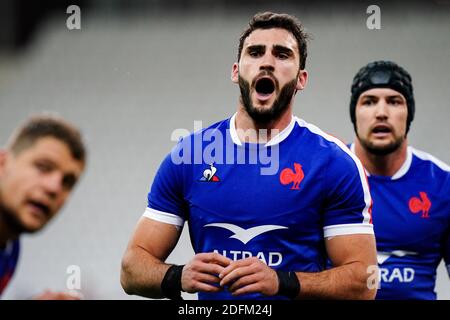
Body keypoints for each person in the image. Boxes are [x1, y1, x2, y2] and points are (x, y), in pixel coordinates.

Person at [121, 12, 377, 300]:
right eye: (255, 53)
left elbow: (364, 283)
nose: (267, 62)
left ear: (301, 79)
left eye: (282, 55)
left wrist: (283, 282)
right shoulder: (189, 156)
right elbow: (131, 269)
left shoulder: (332, 162)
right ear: (235, 71)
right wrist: (177, 275)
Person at [348, 60, 450, 299]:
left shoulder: (443, 185)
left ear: (409, 114)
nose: (381, 113)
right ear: (355, 114)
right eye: (369, 101)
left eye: (394, 102)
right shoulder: (326, 176)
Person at [0, 115, 86, 299]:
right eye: (43, 167)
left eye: (67, 182)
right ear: (2, 164)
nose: (54, 188)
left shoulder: (11, 245)